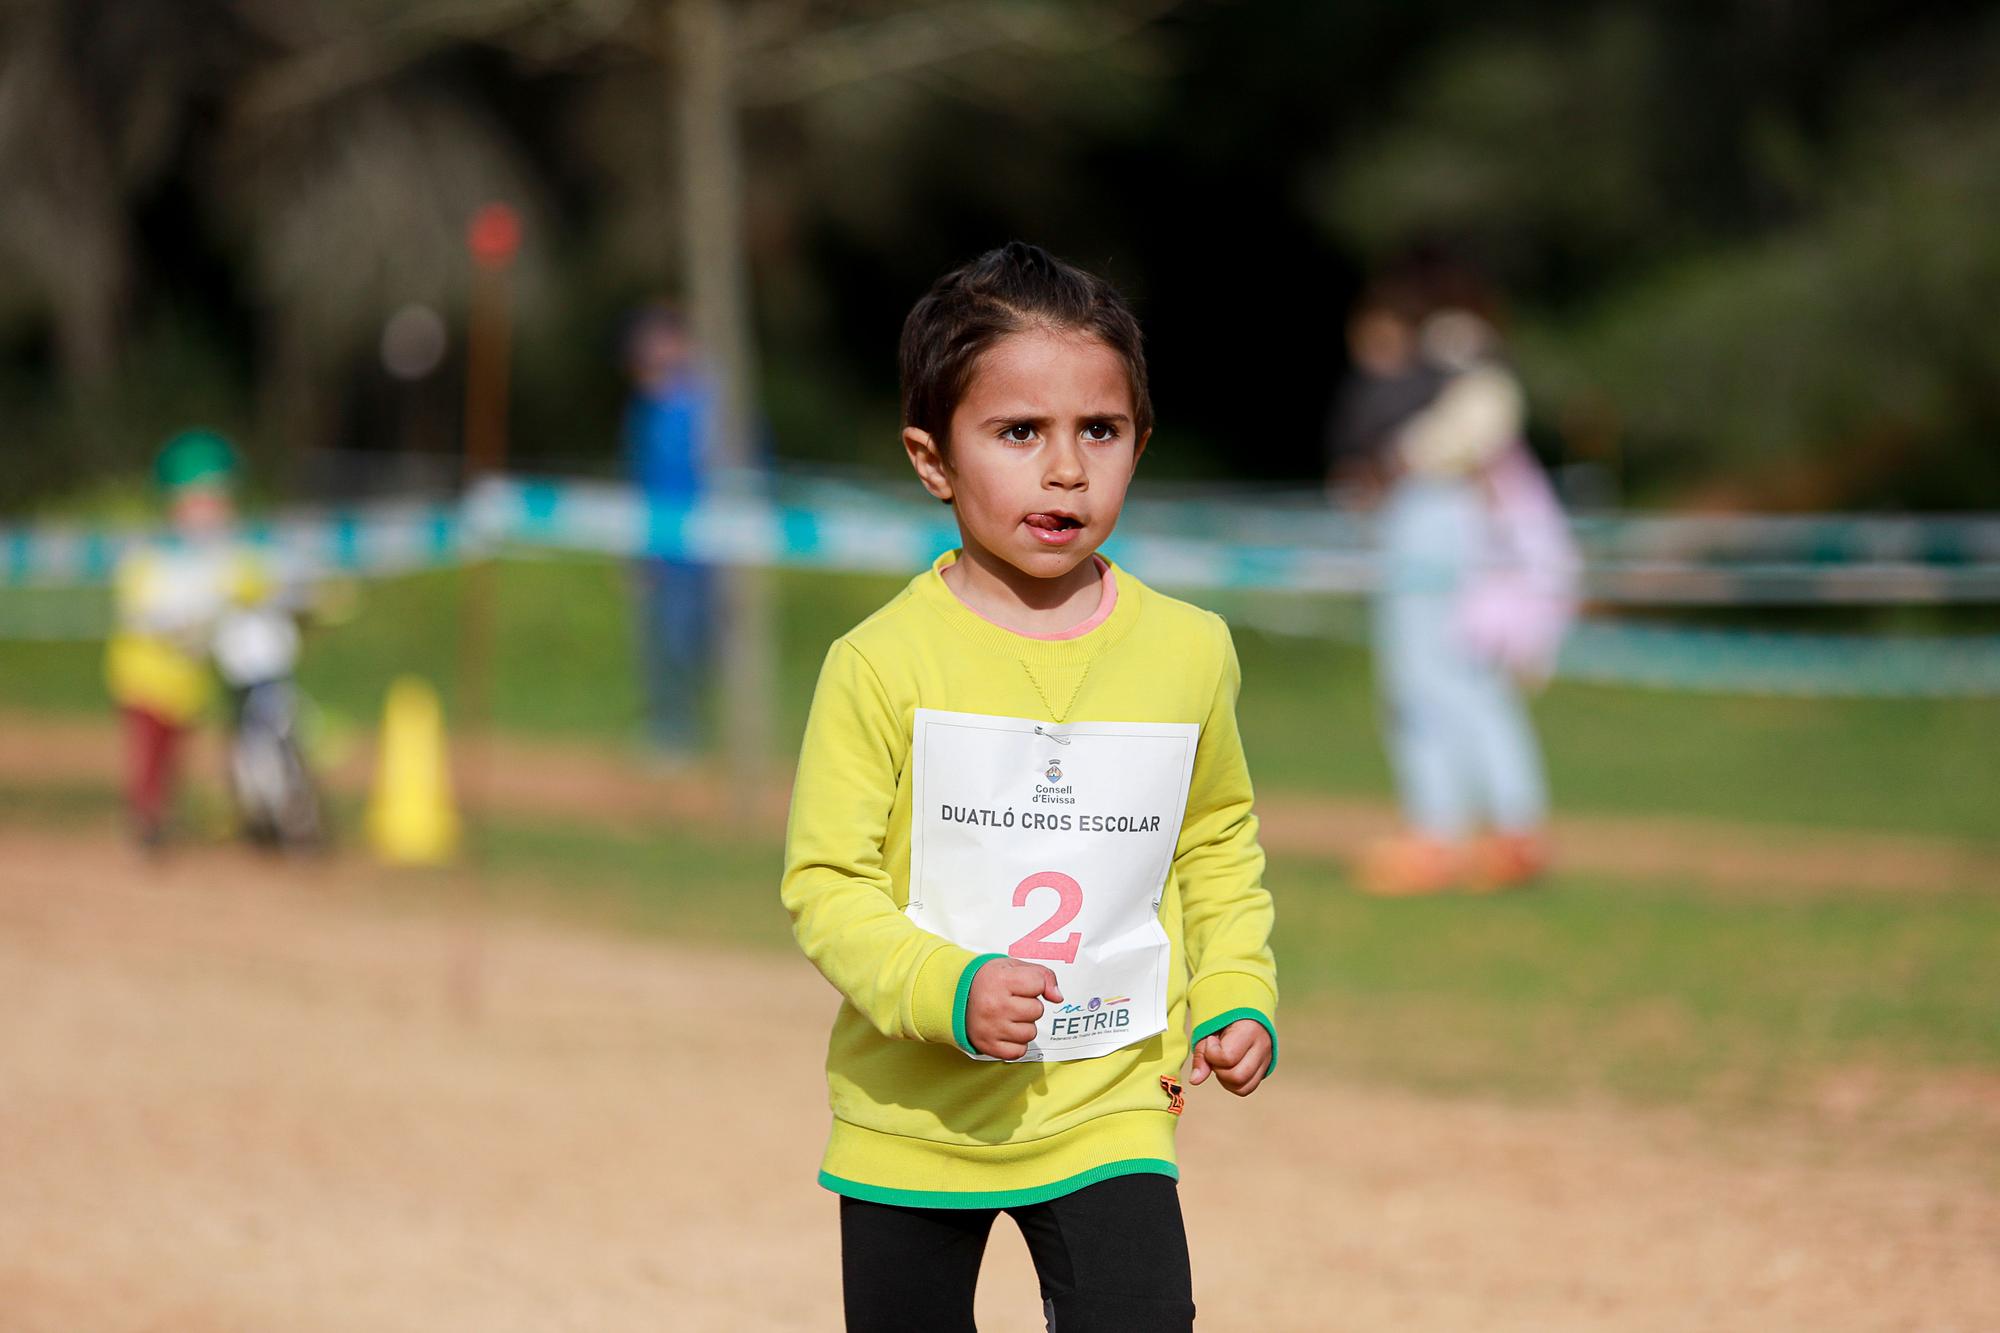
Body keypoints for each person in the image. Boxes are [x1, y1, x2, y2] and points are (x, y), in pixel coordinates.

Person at [780, 242, 1278, 1331]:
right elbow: (825, 882)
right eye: (1018, 433)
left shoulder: (1189, 653)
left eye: (1097, 432)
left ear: (1137, 444)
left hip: (1110, 1103)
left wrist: (1236, 989)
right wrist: (946, 989)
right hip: (909, 1117)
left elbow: (1213, 840)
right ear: (931, 458)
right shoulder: (879, 662)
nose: (1065, 470)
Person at [1329, 287, 1578, 896]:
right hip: (1443, 525)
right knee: (1453, 681)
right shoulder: (1456, 375)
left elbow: (1443, 446)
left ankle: (1451, 836)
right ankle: (1498, 830)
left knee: (1427, 684)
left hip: (1428, 520)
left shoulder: (1443, 371)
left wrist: (1392, 467)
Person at [104, 430, 266, 848]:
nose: (208, 512)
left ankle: (164, 814)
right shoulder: (151, 556)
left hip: (188, 684)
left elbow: (257, 586)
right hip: (143, 677)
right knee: (149, 755)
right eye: (198, 500)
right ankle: (146, 818)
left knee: (174, 756)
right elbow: (139, 608)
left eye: (215, 500)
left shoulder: (229, 557)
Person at [622, 304, 717, 760]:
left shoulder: (706, 404)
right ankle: (669, 727)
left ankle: (689, 729)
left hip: (702, 548)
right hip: (659, 547)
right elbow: (640, 482)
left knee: (690, 640)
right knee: (658, 641)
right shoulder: (645, 410)